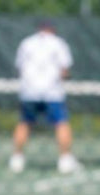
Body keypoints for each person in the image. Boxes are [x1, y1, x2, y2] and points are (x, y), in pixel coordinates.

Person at [9, 19, 81, 175]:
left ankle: (17, 159)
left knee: (25, 122)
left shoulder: (26, 43)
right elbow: (64, 70)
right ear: (53, 29)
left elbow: (20, 67)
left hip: (29, 91)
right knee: (61, 123)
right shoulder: (58, 43)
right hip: (52, 92)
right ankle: (65, 160)